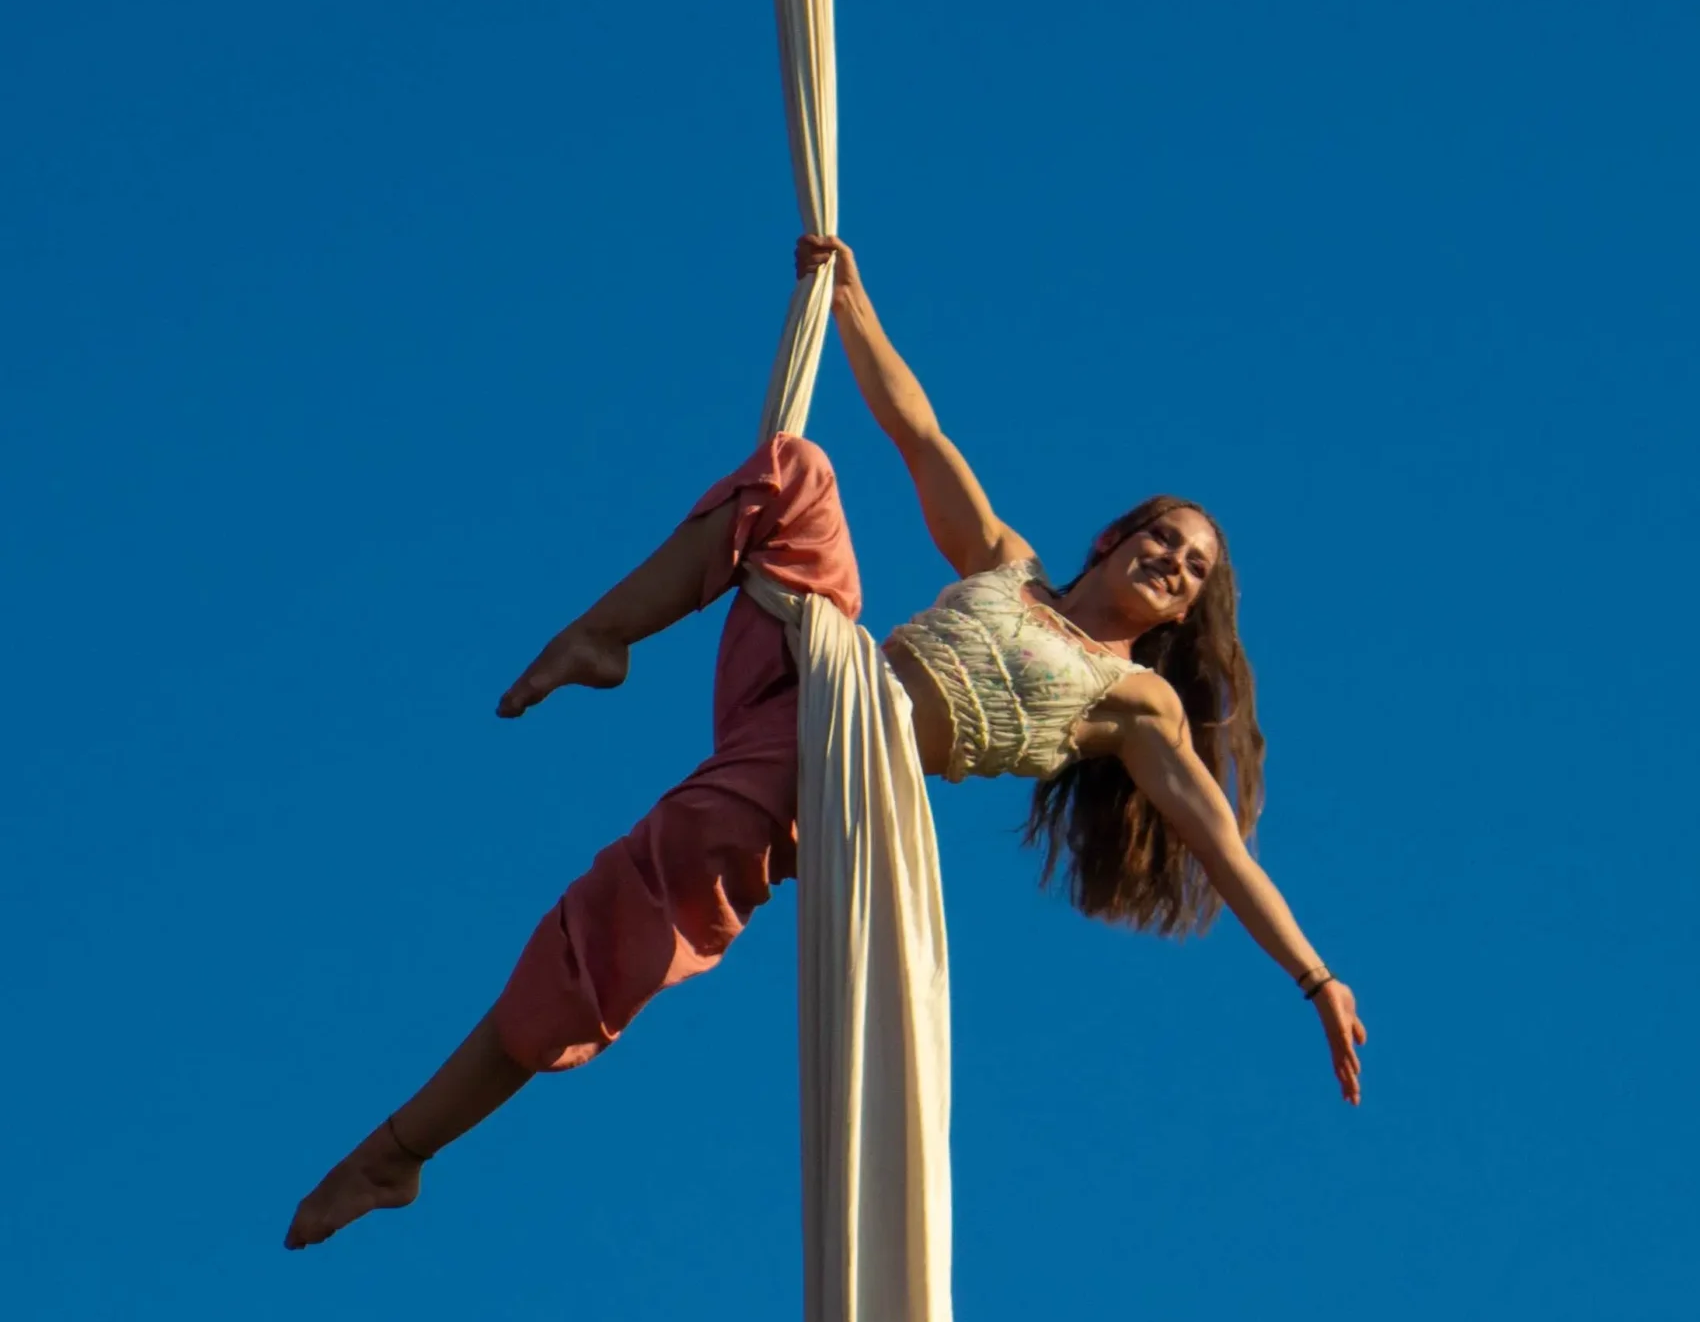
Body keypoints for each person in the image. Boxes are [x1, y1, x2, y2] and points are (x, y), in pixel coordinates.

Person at [286, 238, 1365, 1250]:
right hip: (809, 674)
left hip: (838, 769)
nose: (1172, 562)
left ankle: (401, 1150)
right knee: (797, 473)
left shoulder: (1135, 701)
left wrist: (1316, 979)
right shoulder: (1007, 561)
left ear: (1183, 613)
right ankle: (603, 636)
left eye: (1192, 570)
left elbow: (1221, 847)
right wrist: (847, 298)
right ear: (1113, 538)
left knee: (611, 918)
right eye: (1162, 538)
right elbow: (918, 431)